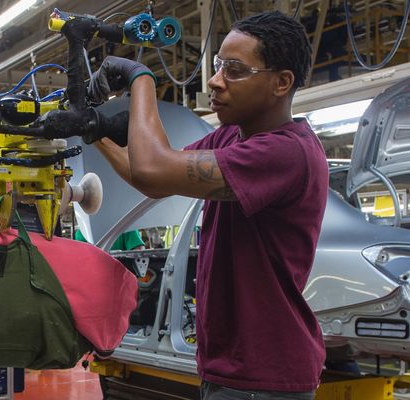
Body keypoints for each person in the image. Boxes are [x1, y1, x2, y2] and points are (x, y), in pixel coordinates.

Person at [87, 11, 328, 399]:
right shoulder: (232, 137)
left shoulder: (286, 152)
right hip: (233, 368)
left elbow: (151, 168)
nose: (215, 81)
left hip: (263, 374)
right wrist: (93, 129)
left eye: (234, 70)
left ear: (281, 82)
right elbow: (152, 178)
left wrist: (142, 78)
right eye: (218, 66)